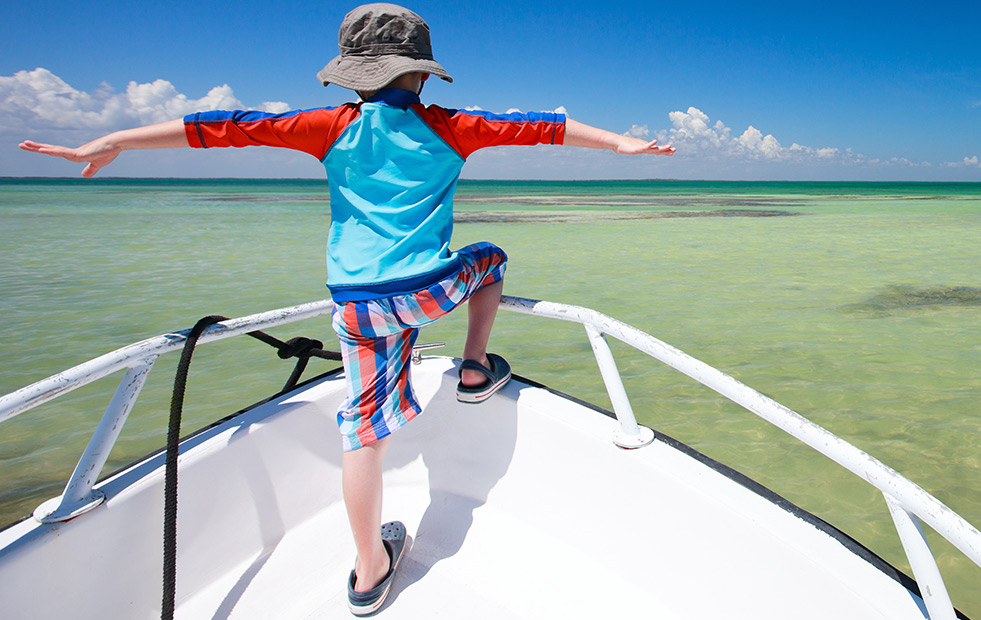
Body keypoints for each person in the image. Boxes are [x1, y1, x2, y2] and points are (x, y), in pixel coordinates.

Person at [18, 3, 674, 615]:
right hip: (432, 287)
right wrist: (622, 146)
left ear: (351, 78)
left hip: (358, 306)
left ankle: (367, 574)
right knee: (491, 260)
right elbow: (545, 128)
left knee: (363, 433)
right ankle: (474, 369)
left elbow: (215, 131)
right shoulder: (453, 126)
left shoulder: (327, 127)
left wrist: (109, 140)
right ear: (421, 73)